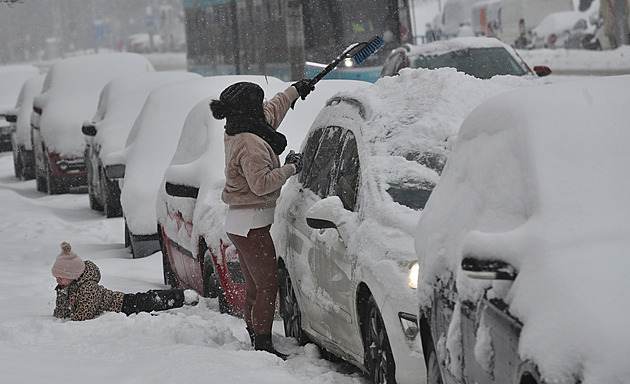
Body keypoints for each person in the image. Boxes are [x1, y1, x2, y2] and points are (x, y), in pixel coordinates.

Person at [209, 79, 314, 359]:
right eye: (258, 102)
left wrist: (295, 91)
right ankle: (263, 345)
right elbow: (260, 183)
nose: (262, 107)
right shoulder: (250, 143)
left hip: (241, 222)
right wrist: (291, 167)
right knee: (268, 286)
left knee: (256, 286)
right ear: (249, 108)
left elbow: (271, 111)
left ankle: (255, 334)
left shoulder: (240, 127)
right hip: (252, 224)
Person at [52, 242, 198, 321]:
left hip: (122, 305)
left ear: (74, 275)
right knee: (147, 303)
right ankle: (179, 298)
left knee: (149, 301)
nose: (58, 281)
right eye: (56, 277)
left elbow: (84, 315)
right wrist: (62, 295)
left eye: (61, 277)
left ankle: (182, 297)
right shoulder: (70, 287)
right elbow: (61, 312)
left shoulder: (87, 289)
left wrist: (69, 321)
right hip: (119, 305)